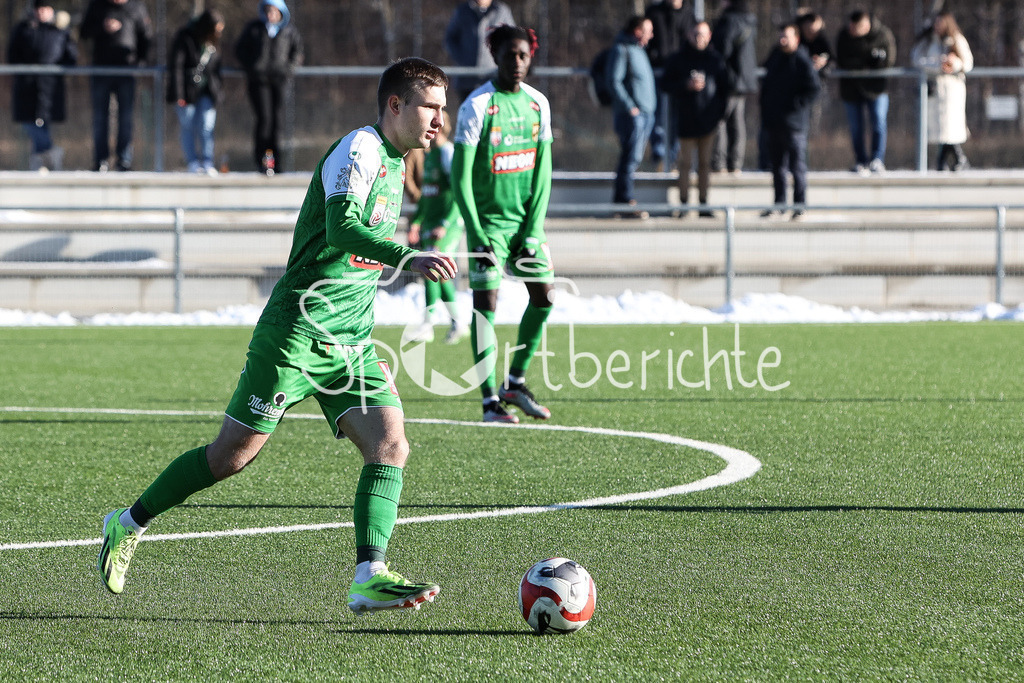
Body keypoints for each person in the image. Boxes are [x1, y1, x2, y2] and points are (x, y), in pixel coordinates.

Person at [97, 58, 457, 615]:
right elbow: (341, 230)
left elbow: (352, 269)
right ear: (396, 106)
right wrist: (408, 256)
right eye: (431, 106)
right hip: (293, 334)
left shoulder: (396, 161)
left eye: (441, 106)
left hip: (350, 342)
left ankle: (369, 574)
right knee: (230, 458)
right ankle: (126, 524)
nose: (440, 118)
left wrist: (368, 337)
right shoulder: (359, 150)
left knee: (390, 444)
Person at [452, 24, 555, 424]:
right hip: (487, 227)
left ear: (531, 57)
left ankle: (515, 381)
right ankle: (489, 402)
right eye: (509, 54)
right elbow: (461, 180)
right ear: (494, 55)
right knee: (486, 308)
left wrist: (533, 230)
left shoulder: (538, 105)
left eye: (523, 55)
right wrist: (477, 236)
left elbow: (543, 174)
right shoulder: (477, 106)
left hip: (525, 226)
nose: (517, 62)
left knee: (544, 297)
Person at [407, 115, 469, 344]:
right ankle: (456, 322)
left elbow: (459, 192)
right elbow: (427, 194)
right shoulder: (430, 154)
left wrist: (445, 224)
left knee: (432, 271)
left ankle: (429, 322)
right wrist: (416, 221)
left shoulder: (448, 153)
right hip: (429, 223)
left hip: (446, 225)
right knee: (436, 275)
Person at [79, 0, 153, 172]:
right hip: (101, 69)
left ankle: (124, 160)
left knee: (126, 117)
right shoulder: (97, 5)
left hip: (126, 70)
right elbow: (84, 32)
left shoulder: (136, 7)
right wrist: (102, 27)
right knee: (100, 118)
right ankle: (100, 160)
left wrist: (140, 62)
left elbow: (146, 36)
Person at [663, 21, 727, 217]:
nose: (699, 38)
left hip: (708, 122)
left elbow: (725, 89)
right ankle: (683, 204)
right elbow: (666, 84)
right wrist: (686, 85)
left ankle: (703, 204)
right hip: (686, 120)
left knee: (705, 164)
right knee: (684, 164)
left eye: (703, 35)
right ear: (689, 35)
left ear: (709, 37)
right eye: (696, 34)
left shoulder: (715, 60)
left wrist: (718, 115)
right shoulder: (679, 58)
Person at [759, 22, 820, 221]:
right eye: (780, 36)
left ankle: (799, 206)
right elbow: (767, 86)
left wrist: (796, 104)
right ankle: (779, 204)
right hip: (774, 122)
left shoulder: (802, 60)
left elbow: (813, 88)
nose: (782, 40)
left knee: (797, 167)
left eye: (786, 36)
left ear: (796, 38)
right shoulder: (775, 57)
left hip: (794, 125)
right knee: (777, 167)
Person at [7, 0, 78, 172]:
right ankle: (51, 152)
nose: (41, 13)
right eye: (39, 9)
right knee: (28, 122)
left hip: (50, 87)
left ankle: (40, 165)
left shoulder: (60, 31)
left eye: (45, 9)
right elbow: (12, 55)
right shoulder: (24, 29)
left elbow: (71, 57)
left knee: (43, 123)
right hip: (26, 85)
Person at [235, 0, 304, 174]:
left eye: (274, 11)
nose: (270, 15)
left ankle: (276, 161)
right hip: (258, 82)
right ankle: (261, 159)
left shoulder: (288, 31)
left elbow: (297, 53)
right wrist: (253, 67)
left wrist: (287, 69)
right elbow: (240, 50)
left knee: (277, 122)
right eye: (267, 11)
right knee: (264, 120)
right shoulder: (254, 29)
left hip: (279, 81)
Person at [911, 11, 973, 171]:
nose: (937, 26)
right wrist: (936, 65)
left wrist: (954, 64)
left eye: (940, 23)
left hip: (952, 90)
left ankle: (953, 160)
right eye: (935, 23)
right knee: (940, 128)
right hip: (934, 90)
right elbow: (916, 59)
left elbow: (967, 62)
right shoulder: (928, 41)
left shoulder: (956, 39)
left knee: (950, 127)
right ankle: (948, 161)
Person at [836, 10, 896, 175]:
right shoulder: (845, 36)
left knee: (878, 121)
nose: (853, 31)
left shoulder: (882, 34)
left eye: (857, 28)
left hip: (876, 89)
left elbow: (889, 60)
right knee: (856, 127)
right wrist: (867, 62)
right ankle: (861, 160)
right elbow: (842, 60)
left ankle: (877, 159)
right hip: (852, 89)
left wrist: (873, 62)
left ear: (866, 25)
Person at [607, 15, 657, 218]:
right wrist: (630, 107)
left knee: (633, 158)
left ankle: (622, 201)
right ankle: (624, 201)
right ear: (637, 31)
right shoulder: (622, 50)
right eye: (648, 31)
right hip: (633, 116)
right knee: (630, 158)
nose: (651, 35)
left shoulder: (640, 51)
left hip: (646, 114)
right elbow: (614, 81)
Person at [166, 10, 225, 175]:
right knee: (188, 124)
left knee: (207, 125)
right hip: (187, 91)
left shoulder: (213, 43)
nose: (219, 33)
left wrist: (218, 93)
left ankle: (207, 160)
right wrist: (178, 95)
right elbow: (176, 67)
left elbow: (217, 69)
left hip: (207, 91)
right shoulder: (185, 38)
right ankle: (192, 161)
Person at [644, 0, 696, 171]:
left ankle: (671, 158)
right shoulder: (654, 12)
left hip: (679, 77)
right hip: (658, 74)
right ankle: (659, 156)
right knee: (657, 116)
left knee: (675, 118)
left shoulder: (689, 14)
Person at [710, 0, 757, 174]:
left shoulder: (730, 21)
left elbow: (723, 49)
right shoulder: (749, 20)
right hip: (743, 80)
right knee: (737, 122)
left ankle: (719, 163)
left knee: (720, 120)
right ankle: (735, 164)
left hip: (728, 79)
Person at [444, 0, 515, 102]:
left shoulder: (501, 11)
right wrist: (463, 60)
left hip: (493, 78)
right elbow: (450, 39)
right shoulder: (462, 10)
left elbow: (511, 39)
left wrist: (502, 61)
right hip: (467, 81)